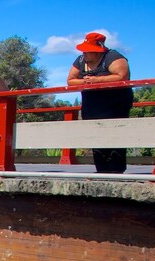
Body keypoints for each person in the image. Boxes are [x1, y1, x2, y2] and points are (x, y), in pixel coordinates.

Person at [66, 32, 134, 174]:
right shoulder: (80, 60)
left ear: (98, 51)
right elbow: (70, 80)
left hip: (115, 104)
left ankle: (116, 170)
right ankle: (101, 169)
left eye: (88, 50)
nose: (84, 53)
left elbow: (122, 76)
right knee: (95, 135)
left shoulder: (113, 57)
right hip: (92, 104)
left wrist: (97, 80)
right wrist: (85, 81)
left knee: (115, 135)